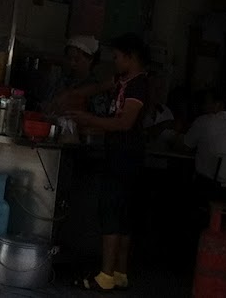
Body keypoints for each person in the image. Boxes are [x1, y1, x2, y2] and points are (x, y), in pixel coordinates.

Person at [66, 32, 150, 292]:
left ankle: (105, 275)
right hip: (119, 156)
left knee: (113, 215)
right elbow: (98, 87)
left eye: (117, 57)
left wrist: (89, 120)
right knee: (122, 217)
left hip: (125, 157)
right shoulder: (123, 81)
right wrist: (71, 96)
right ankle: (119, 273)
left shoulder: (139, 86)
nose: (114, 62)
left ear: (131, 57)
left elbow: (124, 123)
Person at [182, 89, 226, 192]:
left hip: (208, 186)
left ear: (218, 105)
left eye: (206, 102)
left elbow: (184, 147)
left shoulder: (204, 122)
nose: (203, 106)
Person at [45, 35, 102, 114]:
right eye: (69, 58)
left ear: (90, 59)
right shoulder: (62, 81)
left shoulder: (96, 89)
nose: (72, 63)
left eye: (77, 59)